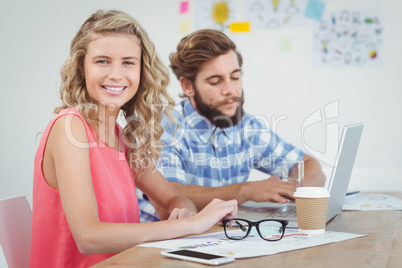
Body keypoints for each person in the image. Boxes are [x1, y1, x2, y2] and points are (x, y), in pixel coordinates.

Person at [30, 11, 238, 267]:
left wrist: (183, 213)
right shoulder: (69, 127)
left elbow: (174, 198)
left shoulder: (120, 137)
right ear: (81, 67)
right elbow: (89, 238)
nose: (116, 74)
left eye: (128, 62)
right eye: (102, 61)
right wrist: (190, 225)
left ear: (142, 71)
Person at [137, 29, 325, 222]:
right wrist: (245, 191)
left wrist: (290, 193)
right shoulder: (165, 128)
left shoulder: (247, 127)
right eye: (215, 81)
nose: (230, 90)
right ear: (187, 86)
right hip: (156, 244)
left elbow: (310, 166)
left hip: (218, 237)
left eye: (235, 77)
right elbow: (168, 199)